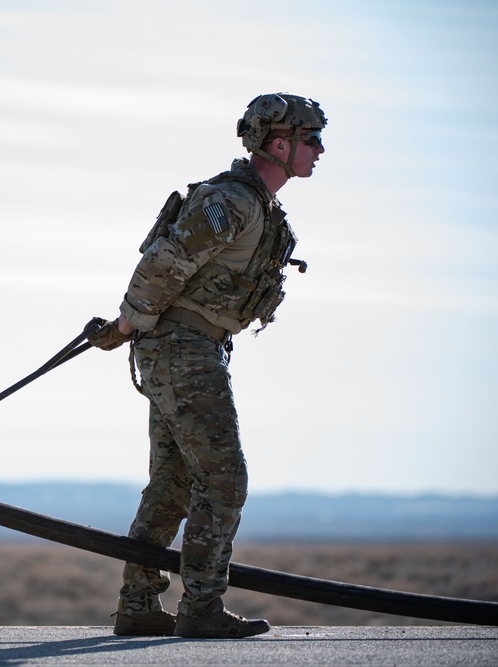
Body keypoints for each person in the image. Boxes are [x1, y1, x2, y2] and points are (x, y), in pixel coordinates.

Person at [88, 93, 327, 638]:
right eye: (311, 140)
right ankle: (200, 609)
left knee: (173, 483)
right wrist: (125, 325)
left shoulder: (260, 206)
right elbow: (164, 262)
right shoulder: (233, 201)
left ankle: (139, 605)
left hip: (188, 346)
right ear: (280, 144)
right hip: (181, 347)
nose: (319, 151)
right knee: (224, 480)